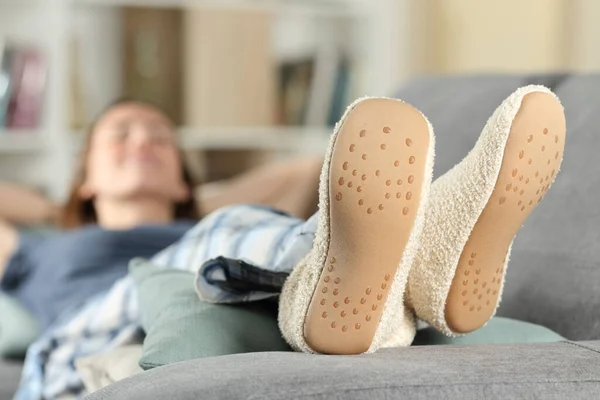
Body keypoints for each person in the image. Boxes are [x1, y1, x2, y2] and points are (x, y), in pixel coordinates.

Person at [15, 85, 566, 399]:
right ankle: (433, 242)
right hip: (88, 329)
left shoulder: (205, 220)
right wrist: (49, 207)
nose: (143, 144)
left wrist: (204, 196)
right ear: (83, 177)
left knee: (232, 230)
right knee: (230, 228)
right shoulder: (41, 246)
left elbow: (307, 167)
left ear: (185, 181)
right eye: (121, 136)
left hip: (216, 268)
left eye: (161, 140)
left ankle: (385, 281)